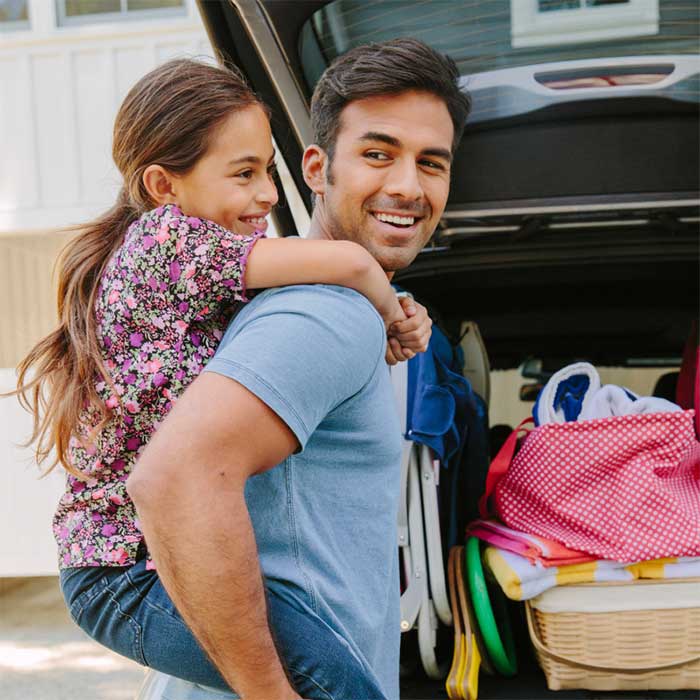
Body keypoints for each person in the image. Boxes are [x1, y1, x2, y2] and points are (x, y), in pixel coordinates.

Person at [10, 56, 433, 693]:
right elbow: (345, 261)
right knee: (331, 678)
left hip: (143, 563)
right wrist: (391, 314)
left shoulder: (203, 266)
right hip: (121, 575)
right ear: (164, 186)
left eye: (267, 169)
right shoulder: (165, 245)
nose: (267, 193)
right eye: (243, 174)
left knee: (334, 671)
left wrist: (393, 308)